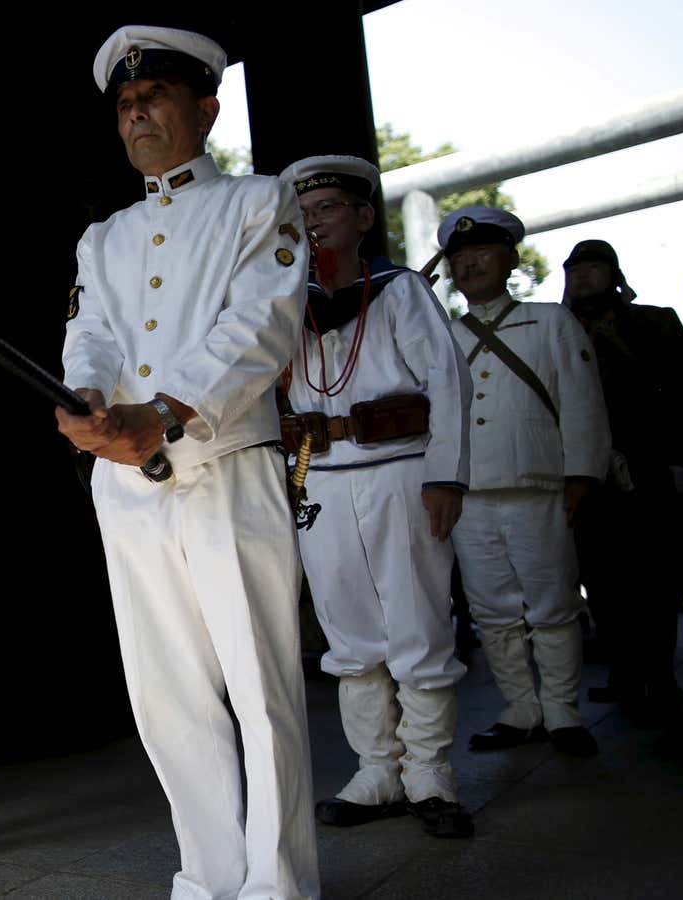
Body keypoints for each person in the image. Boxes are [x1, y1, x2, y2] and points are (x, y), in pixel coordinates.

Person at [56, 25, 319, 899]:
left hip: (226, 467)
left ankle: (277, 885)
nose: (137, 114)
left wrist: (164, 413)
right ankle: (208, 879)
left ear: (205, 108)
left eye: (155, 97)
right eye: (126, 106)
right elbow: (88, 337)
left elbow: (263, 325)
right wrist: (88, 402)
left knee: (260, 688)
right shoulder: (103, 238)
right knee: (167, 700)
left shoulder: (257, 201)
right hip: (127, 488)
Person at [278, 154, 474, 838]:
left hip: (399, 468)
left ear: (363, 217)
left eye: (327, 208)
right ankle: (376, 770)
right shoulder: (279, 300)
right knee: (348, 631)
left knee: (418, 622)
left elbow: (448, 383)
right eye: (302, 214)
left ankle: (429, 771)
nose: (314, 223)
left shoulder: (398, 290)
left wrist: (445, 475)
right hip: (321, 474)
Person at [442, 206, 611, 757]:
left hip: (539, 486)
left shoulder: (550, 321)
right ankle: (520, 709)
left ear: (510, 259)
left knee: (553, 602)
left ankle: (562, 711)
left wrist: (582, 474)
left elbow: (583, 402)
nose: (470, 264)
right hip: (469, 494)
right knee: (491, 609)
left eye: (482, 253)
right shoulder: (443, 334)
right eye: (460, 257)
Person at [562, 239, 683, 721]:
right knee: (601, 581)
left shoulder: (653, 322)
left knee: (655, 580)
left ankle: (660, 677)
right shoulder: (558, 330)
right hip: (583, 476)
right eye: (574, 270)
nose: (582, 277)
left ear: (615, 275)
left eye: (593, 267)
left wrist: (681, 461)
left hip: (645, 466)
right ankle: (624, 673)